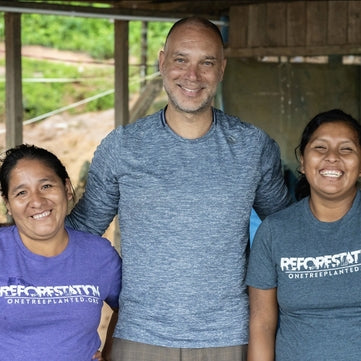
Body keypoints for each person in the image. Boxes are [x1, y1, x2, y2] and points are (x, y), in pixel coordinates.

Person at [67, 16, 291, 361]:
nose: (192, 75)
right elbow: (80, 233)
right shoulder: (122, 147)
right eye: (181, 60)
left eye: (207, 62)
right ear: (161, 62)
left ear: (222, 69)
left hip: (228, 338)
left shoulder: (252, 147)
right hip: (140, 336)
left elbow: (288, 230)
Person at [246, 109, 361, 361]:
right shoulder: (275, 231)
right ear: (302, 161)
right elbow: (262, 325)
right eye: (320, 147)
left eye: (346, 149)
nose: (332, 157)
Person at [0, 144, 122, 361]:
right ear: (8, 204)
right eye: (21, 192)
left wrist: (112, 354)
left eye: (46, 186)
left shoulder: (98, 254)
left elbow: (130, 306)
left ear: (66, 188)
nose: (37, 201)